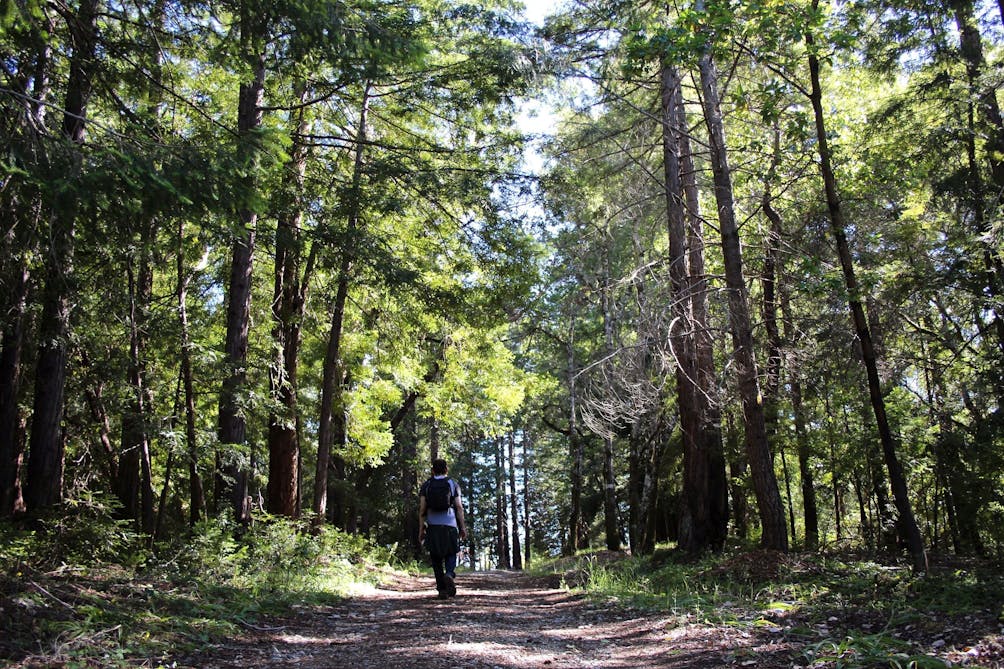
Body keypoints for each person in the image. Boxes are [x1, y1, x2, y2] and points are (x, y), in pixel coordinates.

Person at [418, 458, 467, 599]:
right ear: (446, 469)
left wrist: (421, 529)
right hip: (450, 524)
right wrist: (462, 527)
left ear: (433, 470)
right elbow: (459, 507)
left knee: (436, 557)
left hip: (433, 525)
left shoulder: (427, 485)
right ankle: (449, 574)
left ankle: (442, 590)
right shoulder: (452, 483)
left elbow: (422, 509)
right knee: (451, 552)